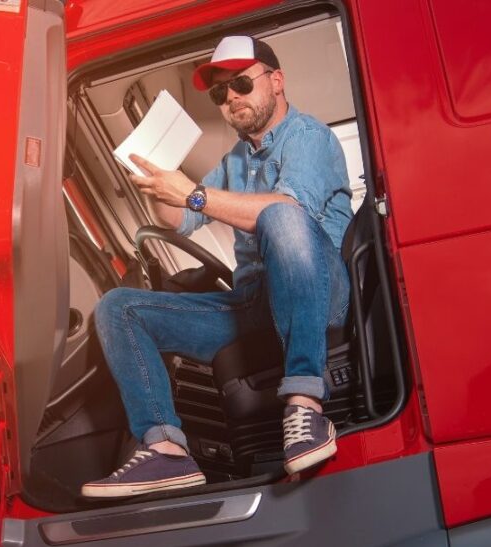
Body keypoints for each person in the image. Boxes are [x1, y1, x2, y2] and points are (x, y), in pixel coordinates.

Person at [81, 35, 353, 499]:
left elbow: (286, 212)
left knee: (281, 215)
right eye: (220, 93)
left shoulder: (310, 137)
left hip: (316, 292)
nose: (231, 99)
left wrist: (193, 193)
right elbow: (183, 218)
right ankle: (166, 451)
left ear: (277, 82)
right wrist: (159, 183)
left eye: (242, 84)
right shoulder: (235, 161)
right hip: (251, 304)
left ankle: (305, 406)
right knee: (118, 308)